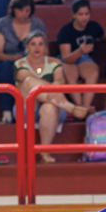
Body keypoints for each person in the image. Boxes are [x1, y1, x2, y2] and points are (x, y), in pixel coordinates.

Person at [15, 31, 87, 163]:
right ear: (27, 47)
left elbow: (60, 81)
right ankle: (70, 107)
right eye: (33, 44)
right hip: (27, 108)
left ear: (45, 46)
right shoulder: (19, 63)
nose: (37, 48)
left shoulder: (55, 62)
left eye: (40, 44)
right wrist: (52, 88)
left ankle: (45, 153)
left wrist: (55, 86)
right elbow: (26, 78)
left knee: (49, 107)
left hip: (53, 106)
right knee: (29, 82)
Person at [0, 0, 47, 122]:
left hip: (32, 62)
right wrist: (12, 58)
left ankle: (34, 111)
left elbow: (45, 51)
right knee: (7, 67)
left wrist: (29, 59)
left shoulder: (37, 24)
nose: (24, 14)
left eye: (27, 10)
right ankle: (6, 112)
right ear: (13, 9)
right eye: (20, 10)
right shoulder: (3, 24)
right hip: (8, 62)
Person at [57, 0, 104, 110]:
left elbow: (104, 37)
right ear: (73, 15)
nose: (84, 17)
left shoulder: (93, 26)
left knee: (93, 72)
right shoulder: (66, 30)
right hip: (69, 59)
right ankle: (80, 108)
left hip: (85, 59)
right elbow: (66, 58)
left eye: (87, 14)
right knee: (70, 73)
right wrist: (80, 51)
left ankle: (85, 107)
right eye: (80, 14)